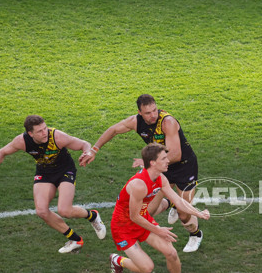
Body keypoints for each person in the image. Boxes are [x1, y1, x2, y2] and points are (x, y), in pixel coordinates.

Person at [79, 94, 203, 253]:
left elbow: (176, 154)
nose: (153, 115)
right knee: (148, 211)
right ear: (139, 112)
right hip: (160, 167)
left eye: (154, 110)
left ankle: (195, 234)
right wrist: (94, 150)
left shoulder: (168, 122)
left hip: (183, 167)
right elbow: (114, 129)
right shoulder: (135, 121)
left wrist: (149, 164)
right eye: (147, 113)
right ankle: (171, 202)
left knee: (184, 214)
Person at [0, 115, 106, 253]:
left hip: (65, 170)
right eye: (39, 131)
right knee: (41, 211)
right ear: (30, 133)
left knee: (65, 210)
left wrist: (87, 152)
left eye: (45, 128)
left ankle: (92, 216)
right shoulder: (22, 141)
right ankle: (75, 239)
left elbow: (84, 144)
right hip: (44, 173)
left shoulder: (57, 137)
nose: (44, 132)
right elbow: (2, 152)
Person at [108, 143, 210, 273]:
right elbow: (134, 217)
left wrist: (198, 213)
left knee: (171, 253)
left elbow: (178, 200)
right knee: (147, 268)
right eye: (163, 158)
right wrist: (158, 230)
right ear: (153, 163)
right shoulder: (139, 185)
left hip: (143, 220)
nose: (168, 161)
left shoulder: (160, 178)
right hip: (124, 228)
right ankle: (117, 260)